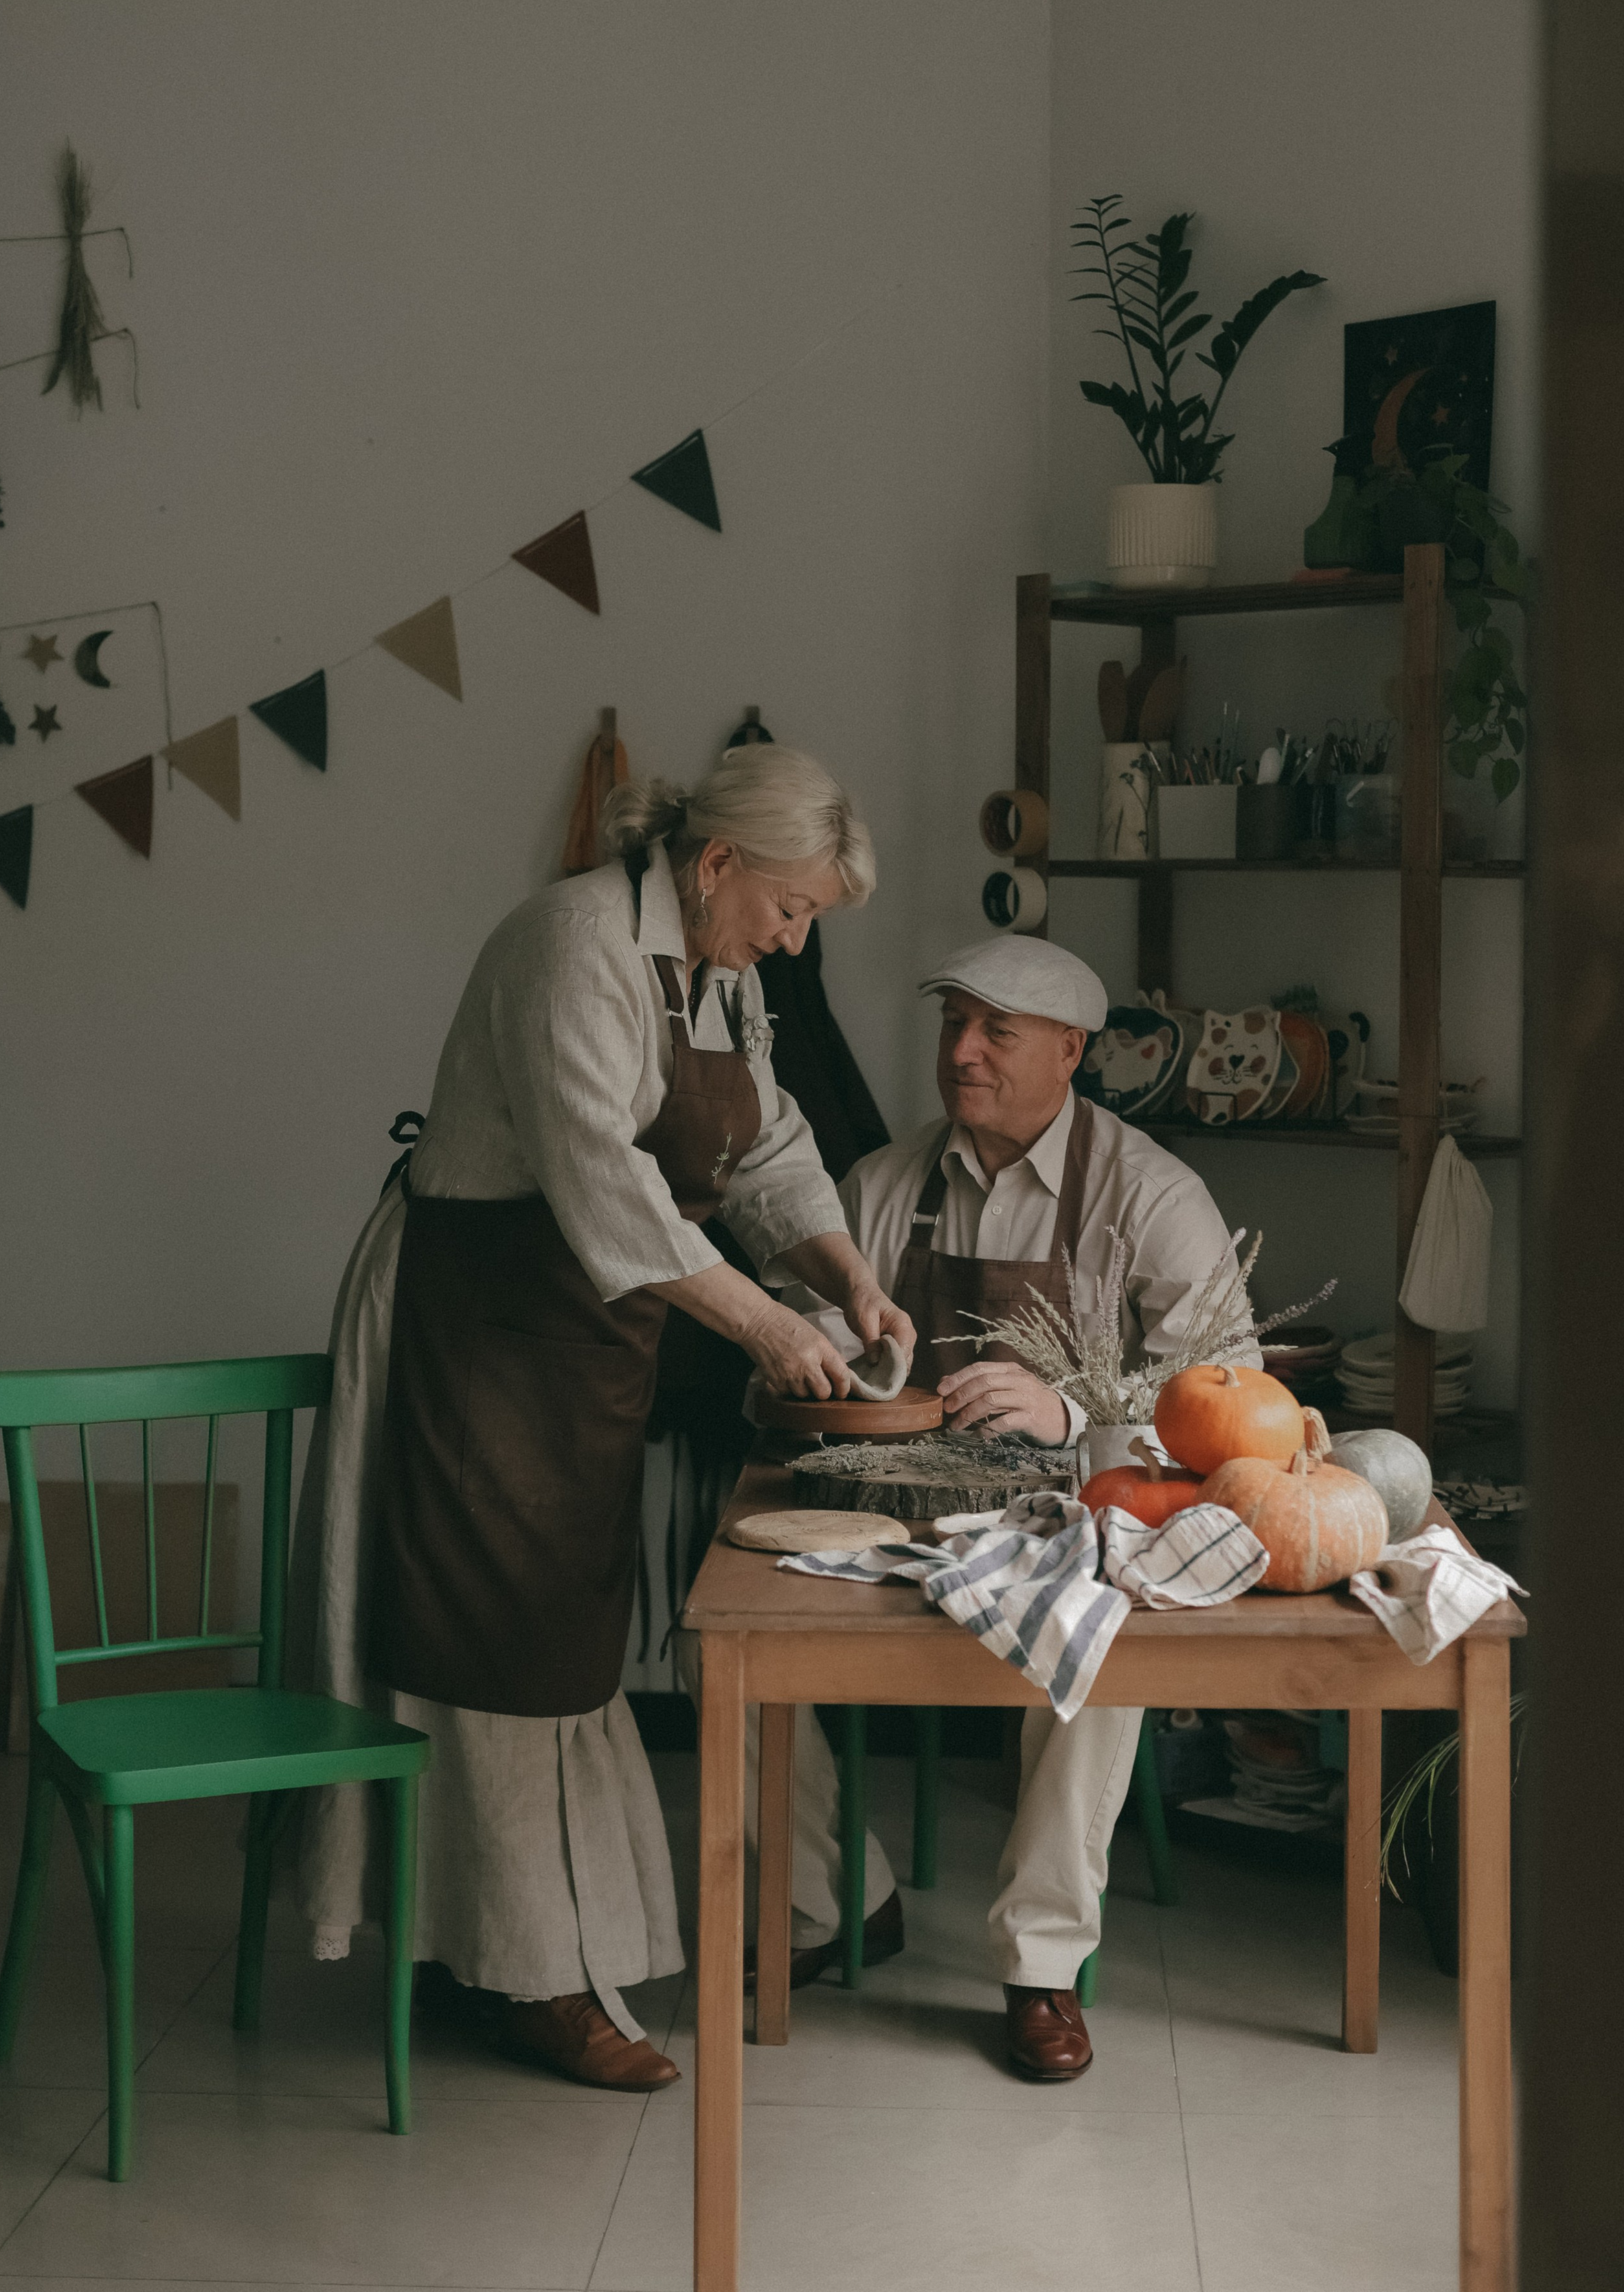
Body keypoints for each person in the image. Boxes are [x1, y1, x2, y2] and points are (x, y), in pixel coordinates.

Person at [287, 743, 914, 2093]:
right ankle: (530, 1977)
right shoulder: (569, 944)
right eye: (790, 907)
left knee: (558, 1637)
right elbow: (604, 1184)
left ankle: (504, 1950)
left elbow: (766, 1145)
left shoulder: (721, 974)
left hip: (582, 1336)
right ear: (716, 863)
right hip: (474, 1322)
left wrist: (846, 1276)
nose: (794, 940)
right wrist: (767, 1326)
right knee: (489, 1639)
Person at [749, 932, 1258, 2081]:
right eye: (952, 1026)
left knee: (1102, 1648)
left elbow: (1229, 1386)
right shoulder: (886, 1183)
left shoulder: (1148, 1193)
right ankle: (837, 1898)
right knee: (719, 1643)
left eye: (996, 1032)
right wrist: (831, 1361)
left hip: (1069, 1520)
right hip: (893, 1519)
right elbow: (805, 1320)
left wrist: (1072, 1411)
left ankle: (1041, 1964)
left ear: (1071, 1051)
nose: (961, 1053)